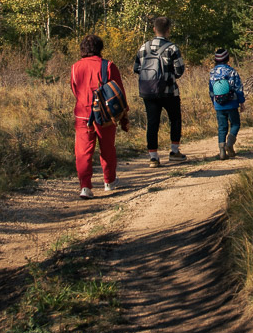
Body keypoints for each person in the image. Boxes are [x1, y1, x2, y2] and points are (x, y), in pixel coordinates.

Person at [70, 34, 130, 198]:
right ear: (100, 48)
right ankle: (109, 181)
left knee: (83, 152)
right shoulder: (109, 66)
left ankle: (85, 187)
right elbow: (119, 93)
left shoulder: (75, 67)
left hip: (82, 114)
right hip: (105, 115)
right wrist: (124, 116)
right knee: (108, 148)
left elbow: (75, 90)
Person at [134, 15, 187, 167]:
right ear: (168, 30)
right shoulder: (172, 48)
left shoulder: (144, 47)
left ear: (154, 29)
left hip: (148, 92)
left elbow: (136, 68)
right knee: (175, 119)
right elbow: (179, 70)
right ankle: (174, 151)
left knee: (152, 123)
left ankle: (153, 157)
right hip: (169, 91)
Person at [208, 48, 245, 159]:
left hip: (218, 104)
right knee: (235, 124)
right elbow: (238, 88)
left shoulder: (212, 73)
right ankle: (230, 143)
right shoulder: (232, 71)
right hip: (232, 103)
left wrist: (213, 101)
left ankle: (222, 151)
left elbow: (211, 90)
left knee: (222, 127)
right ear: (227, 59)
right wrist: (241, 102)